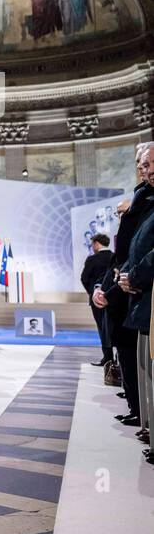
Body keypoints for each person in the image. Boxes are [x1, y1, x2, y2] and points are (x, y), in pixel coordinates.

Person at [95, 143, 154, 428]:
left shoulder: (145, 202)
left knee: (142, 366)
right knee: (139, 367)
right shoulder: (143, 200)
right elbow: (127, 256)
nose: (144, 170)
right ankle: (143, 418)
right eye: (141, 165)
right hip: (133, 294)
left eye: (147, 164)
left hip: (142, 292)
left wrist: (133, 275)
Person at [81, 232, 113, 367]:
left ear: (96, 243)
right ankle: (119, 359)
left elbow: (84, 278)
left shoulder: (92, 259)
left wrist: (93, 293)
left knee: (102, 328)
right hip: (115, 299)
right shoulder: (114, 257)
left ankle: (108, 358)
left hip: (97, 301)